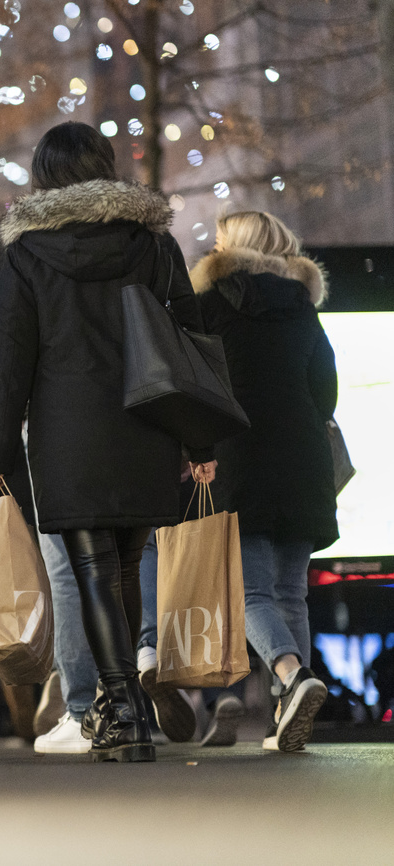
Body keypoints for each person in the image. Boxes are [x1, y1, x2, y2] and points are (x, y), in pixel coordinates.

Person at [0, 121, 217, 763]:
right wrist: (199, 436)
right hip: (147, 425)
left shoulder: (24, 253)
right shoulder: (153, 243)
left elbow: (6, 362)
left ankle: (123, 709)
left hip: (67, 430)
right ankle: (125, 699)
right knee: (126, 563)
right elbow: (191, 337)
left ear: (43, 175)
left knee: (91, 571)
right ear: (105, 166)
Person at [187, 210, 337, 752]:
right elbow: (326, 388)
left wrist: (196, 448)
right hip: (303, 460)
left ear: (232, 247)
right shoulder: (302, 307)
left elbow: (195, 384)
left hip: (238, 454)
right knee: (291, 592)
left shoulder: (207, 305)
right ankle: (286, 719)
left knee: (251, 592)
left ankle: (293, 676)